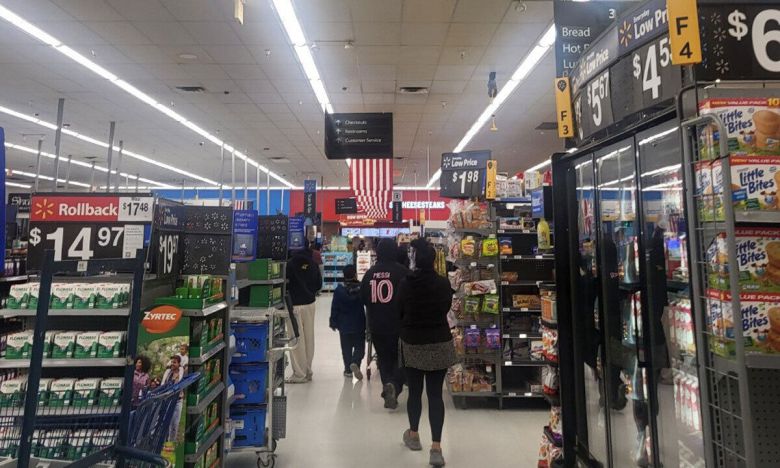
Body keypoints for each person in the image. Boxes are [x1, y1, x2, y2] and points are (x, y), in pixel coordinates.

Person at [397, 238, 456, 467]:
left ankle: (413, 435)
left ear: (415, 260)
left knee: (414, 393)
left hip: (413, 342)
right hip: (439, 342)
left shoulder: (406, 284)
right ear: (433, 260)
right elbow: (446, 308)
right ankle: (436, 448)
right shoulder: (443, 283)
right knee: (435, 395)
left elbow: (399, 311)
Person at [360, 238, 409, 409]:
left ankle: (388, 384)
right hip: (399, 325)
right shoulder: (403, 272)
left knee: (384, 359)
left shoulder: (370, 274)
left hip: (377, 325)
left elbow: (363, 299)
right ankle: (394, 385)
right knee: (402, 359)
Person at [286, 239, 323, 383]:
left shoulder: (290, 264)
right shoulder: (312, 263)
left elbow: (285, 285)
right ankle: (307, 370)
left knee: (296, 338)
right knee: (309, 337)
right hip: (310, 304)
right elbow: (318, 284)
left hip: (294, 305)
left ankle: (299, 374)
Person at [329, 264, 367, 379]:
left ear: (344, 276)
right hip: (359, 323)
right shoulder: (361, 289)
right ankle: (355, 362)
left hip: (344, 325)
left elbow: (334, 307)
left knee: (346, 349)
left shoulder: (339, 290)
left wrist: (333, 321)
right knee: (360, 347)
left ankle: (348, 370)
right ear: (355, 274)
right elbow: (367, 303)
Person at [162, 355, 184, 442]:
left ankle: (171, 443)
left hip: (178, 401)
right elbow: (163, 384)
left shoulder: (181, 373)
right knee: (166, 422)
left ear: (179, 364)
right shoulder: (168, 372)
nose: (172, 364)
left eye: (174, 362)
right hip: (168, 400)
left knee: (174, 424)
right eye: (172, 362)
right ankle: (164, 442)